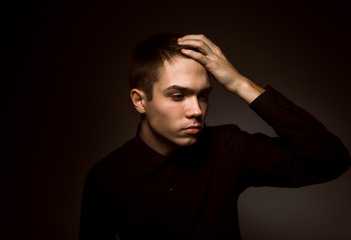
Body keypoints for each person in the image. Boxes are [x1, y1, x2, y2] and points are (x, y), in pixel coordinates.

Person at [79, 33, 351, 240]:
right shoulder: (105, 178)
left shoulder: (228, 148)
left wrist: (239, 83)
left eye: (204, 96)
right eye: (178, 96)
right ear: (140, 101)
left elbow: (330, 159)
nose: (196, 110)